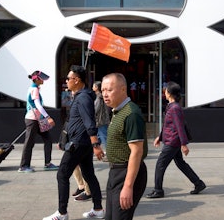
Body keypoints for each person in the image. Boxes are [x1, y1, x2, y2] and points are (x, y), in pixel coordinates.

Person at [43, 65, 105, 220]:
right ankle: (98, 209)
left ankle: (62, 213)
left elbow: (89, 122)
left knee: (62, 174)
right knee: (89, 175)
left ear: (76, 80)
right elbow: (74, 121)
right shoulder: (81, 96)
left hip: (79, 143)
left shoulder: (83, 98)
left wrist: (96, 145)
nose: (66, 81)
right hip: (81, 143)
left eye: (68, 79)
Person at [146, 81, 205, 199]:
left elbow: (179, 126)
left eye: (165, 90)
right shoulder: (172, 106)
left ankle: (158, 190)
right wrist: (160, 137)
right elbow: (168, 125)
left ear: (169, 93)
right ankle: (198, 183)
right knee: (180, 163)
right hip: (171, 139)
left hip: (173, 141)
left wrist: (184, 144)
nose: (164, 92)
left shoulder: (174, 108)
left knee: (160, 165)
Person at [101, 73, 148, 220]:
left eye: (109, 90)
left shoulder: (131, 113)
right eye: (102, 90)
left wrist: (128, 186)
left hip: (126, 171)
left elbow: (137, 151)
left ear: (123, 89)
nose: (105, 94)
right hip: (115, 172)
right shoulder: (117, 111)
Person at [19, 70, 58, 173]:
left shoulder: (34, 88)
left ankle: (48, 163)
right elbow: (38, 105)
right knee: (29, 143)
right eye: (42, 79)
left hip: (37, 119)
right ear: (37, 79)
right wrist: (48, 117)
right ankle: (23, 166)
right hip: (32, 120)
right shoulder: (34, 89)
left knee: (48, 140)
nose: (43, 81)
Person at [92, 81, 111, 154]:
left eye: (93, 86)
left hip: (101, 121)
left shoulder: (99, 97)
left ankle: (109, 153)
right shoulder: (100, 96)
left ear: (96, 88)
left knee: (104, 137)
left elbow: (96, 109)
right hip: (101, 120)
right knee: (98, 137)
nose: (92, 87)